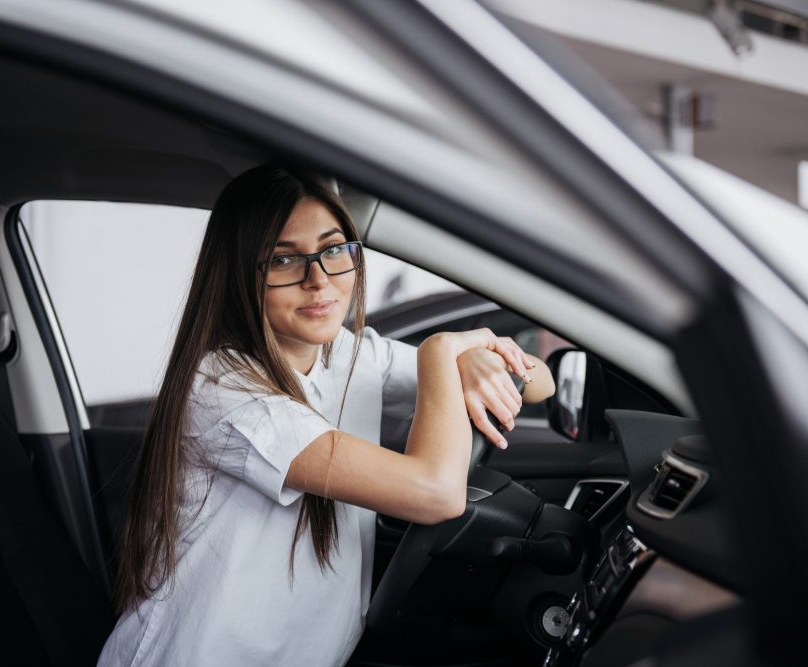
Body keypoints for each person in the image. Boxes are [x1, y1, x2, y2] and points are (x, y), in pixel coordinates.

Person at [98, 165, 554, 666]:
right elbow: (435, 493)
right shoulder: (223, 387)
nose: (318, 280)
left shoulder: (349, 354)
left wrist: (472, 360)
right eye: (283, 259)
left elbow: (537, 382)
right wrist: (442, 349)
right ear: (239, 275)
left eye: (334, 250)